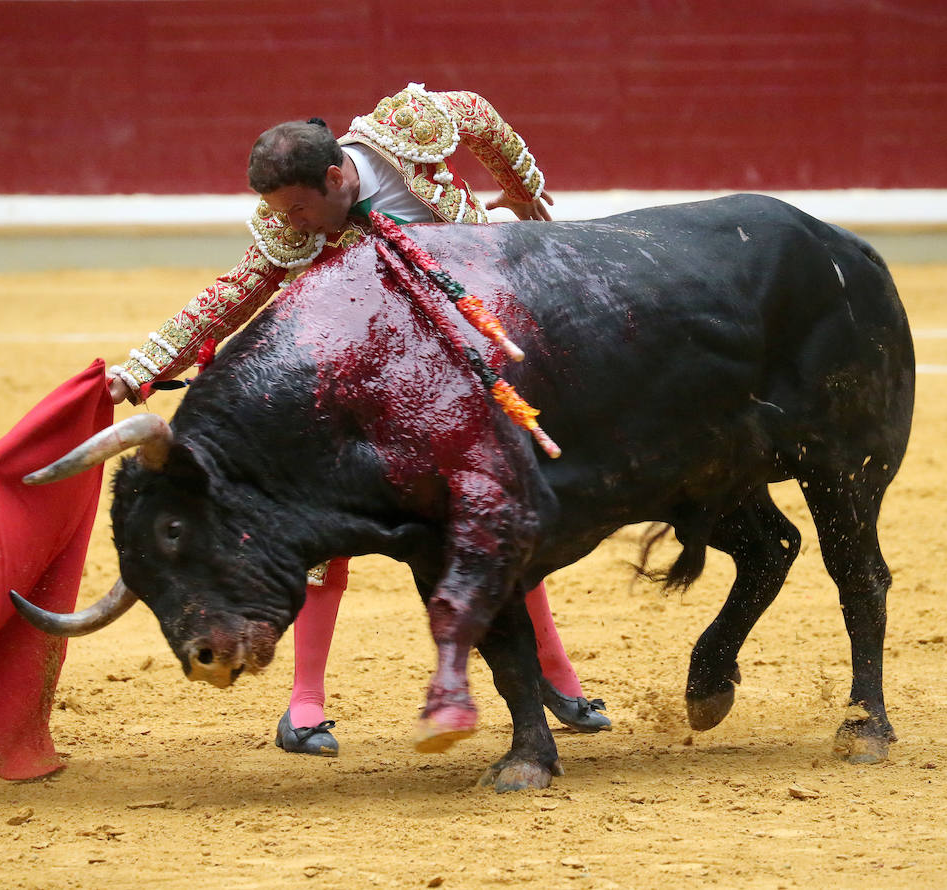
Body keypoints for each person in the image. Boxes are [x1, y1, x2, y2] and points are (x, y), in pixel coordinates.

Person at [107, 83, 609, 755]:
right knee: (319, 543)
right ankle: (304, 704)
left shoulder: (409, 129)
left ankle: (557, 676)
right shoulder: (290, 224)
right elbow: (231, 295)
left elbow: (480, 115)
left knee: (496, 509)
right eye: (282, 211)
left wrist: (523, 194)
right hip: (360, 391)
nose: (294, 223)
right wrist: (140, 368)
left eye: (300, 207)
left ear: (337, 176)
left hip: (459, 368)